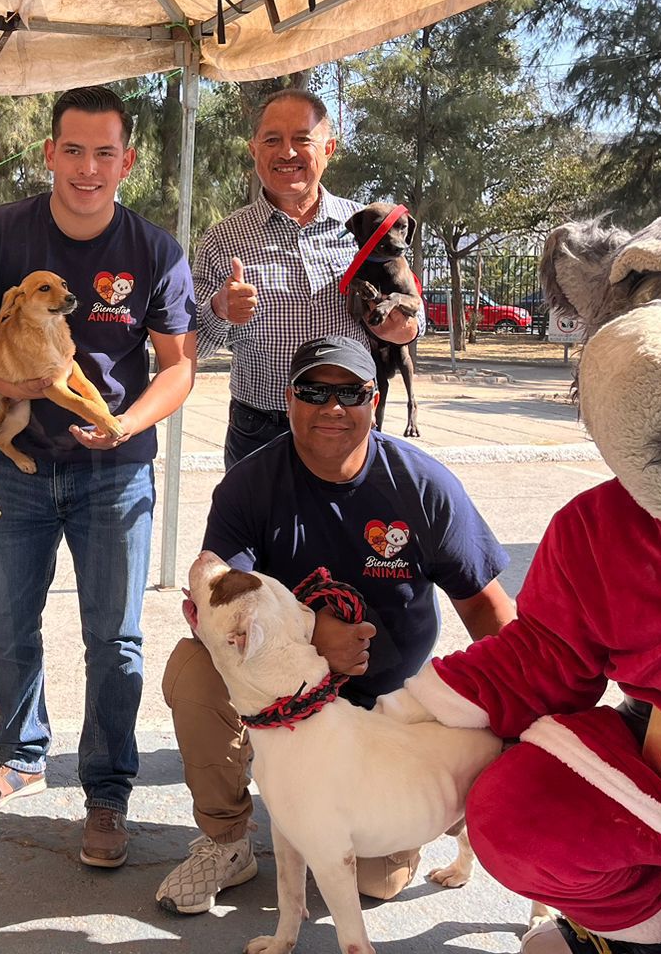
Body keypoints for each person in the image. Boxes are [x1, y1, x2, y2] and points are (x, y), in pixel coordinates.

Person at [0, 85, 197, 869]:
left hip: (117, 477)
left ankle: (107, 793)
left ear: (127, 162)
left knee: (115, 641)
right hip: (18, 471)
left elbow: (179, 366)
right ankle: (20, 756)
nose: (87, 167)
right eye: (72, 150)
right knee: (9, 626)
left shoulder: (152, 250)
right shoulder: (3, 234)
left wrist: (127, 424)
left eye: (104, 152)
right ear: (48, 154)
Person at [155, 334, 515, 915]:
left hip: (384, 711)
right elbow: (217, 603)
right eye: (315, 392)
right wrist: (313, 635)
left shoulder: (422, 484)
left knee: (374, 881)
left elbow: (486, 609)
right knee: (194, 669)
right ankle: (226, 842)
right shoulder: (251, 483)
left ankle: (404, 820)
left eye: (350, 392)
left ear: (375, 399)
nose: (333, 408)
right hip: (285, 695)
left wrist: (523, 706)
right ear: (288, 399)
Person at [195, 88, 421, 468]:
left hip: (350, 423)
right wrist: (220, 310)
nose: (286, 152)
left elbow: (415, 316)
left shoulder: (368, 228)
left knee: (349, 529)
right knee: (258, 529)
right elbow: (195, 346)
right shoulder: (223, 239)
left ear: (329, 148)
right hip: (261, 430)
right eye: (272, 140)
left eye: (302, 139)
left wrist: (403, 329)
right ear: (254, 151)